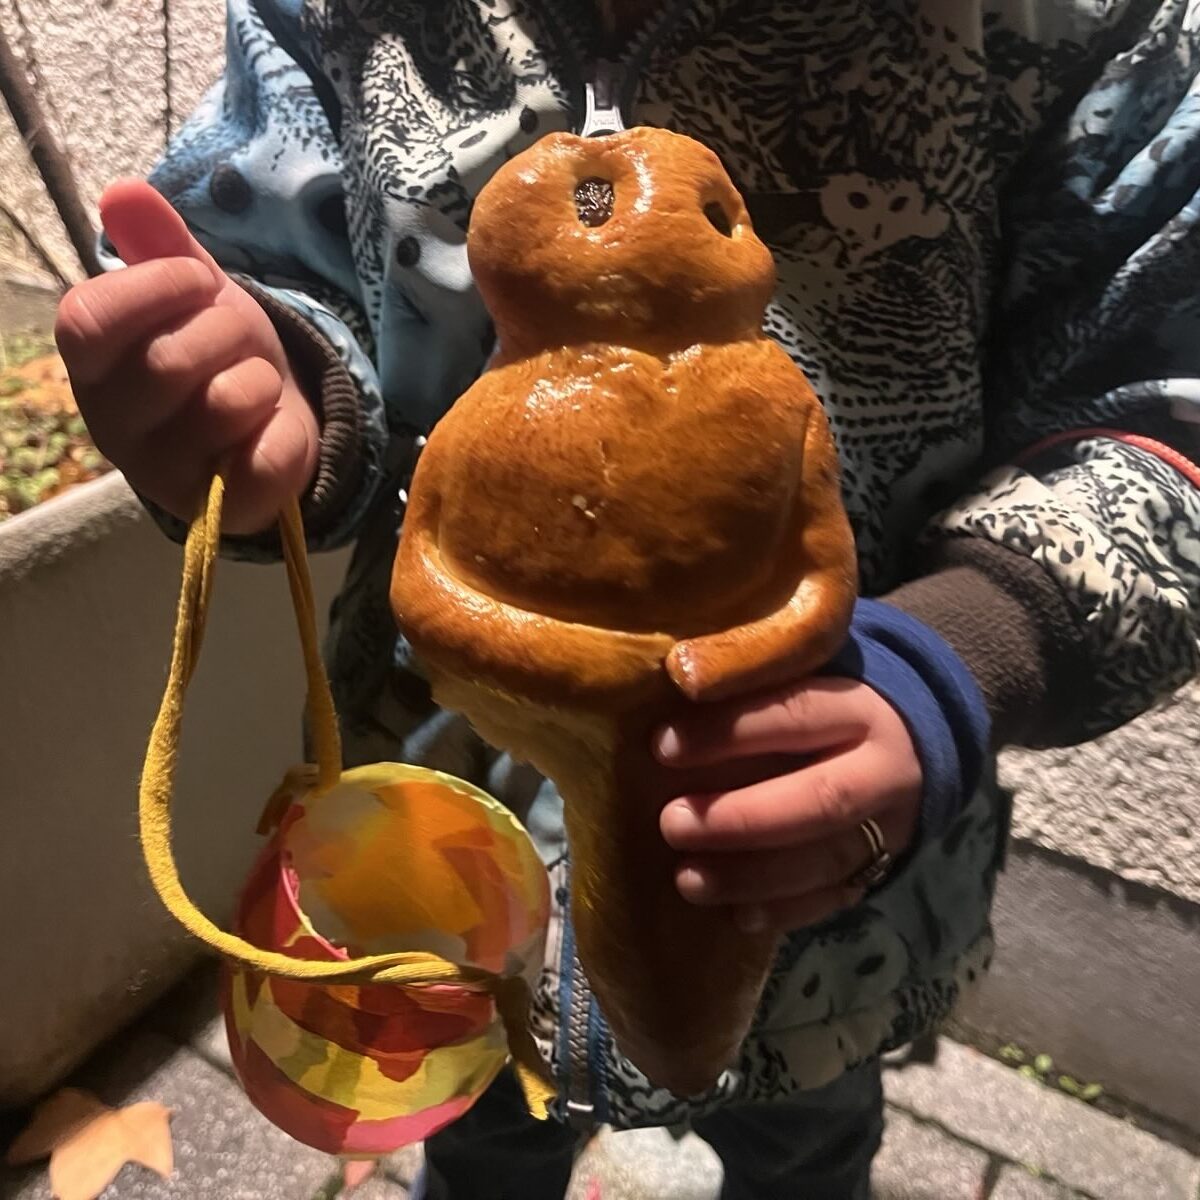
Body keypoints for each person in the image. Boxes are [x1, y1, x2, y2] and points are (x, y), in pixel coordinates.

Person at [55, 1, 1200, 1196]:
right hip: (452, 849)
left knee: (803, 1149)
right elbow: (276, 256)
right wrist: (264, 377)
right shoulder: (338, 17)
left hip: (822, 855)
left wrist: (964, 651)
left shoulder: (1072, 26)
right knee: (482, 1135)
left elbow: (1163, 384)